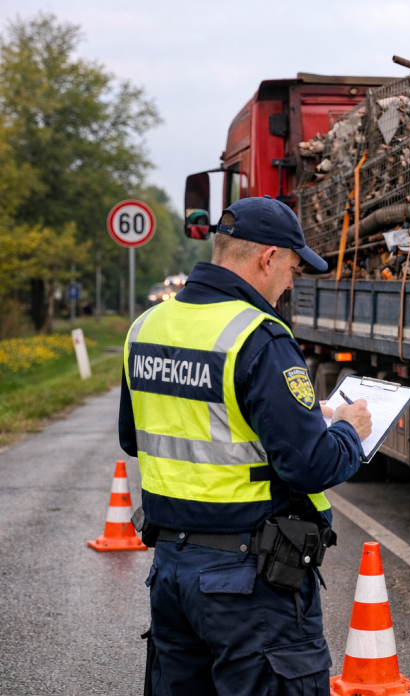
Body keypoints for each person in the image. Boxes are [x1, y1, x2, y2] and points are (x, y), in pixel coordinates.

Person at [118, 195, 372, 695]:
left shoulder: (146, 327)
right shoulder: (260, 337)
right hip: (248, 584)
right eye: (293, 268)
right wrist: (347, 429)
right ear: (267, 258)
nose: (290, 283)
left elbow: (136, 437)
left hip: (171, 573)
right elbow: (310, 467)